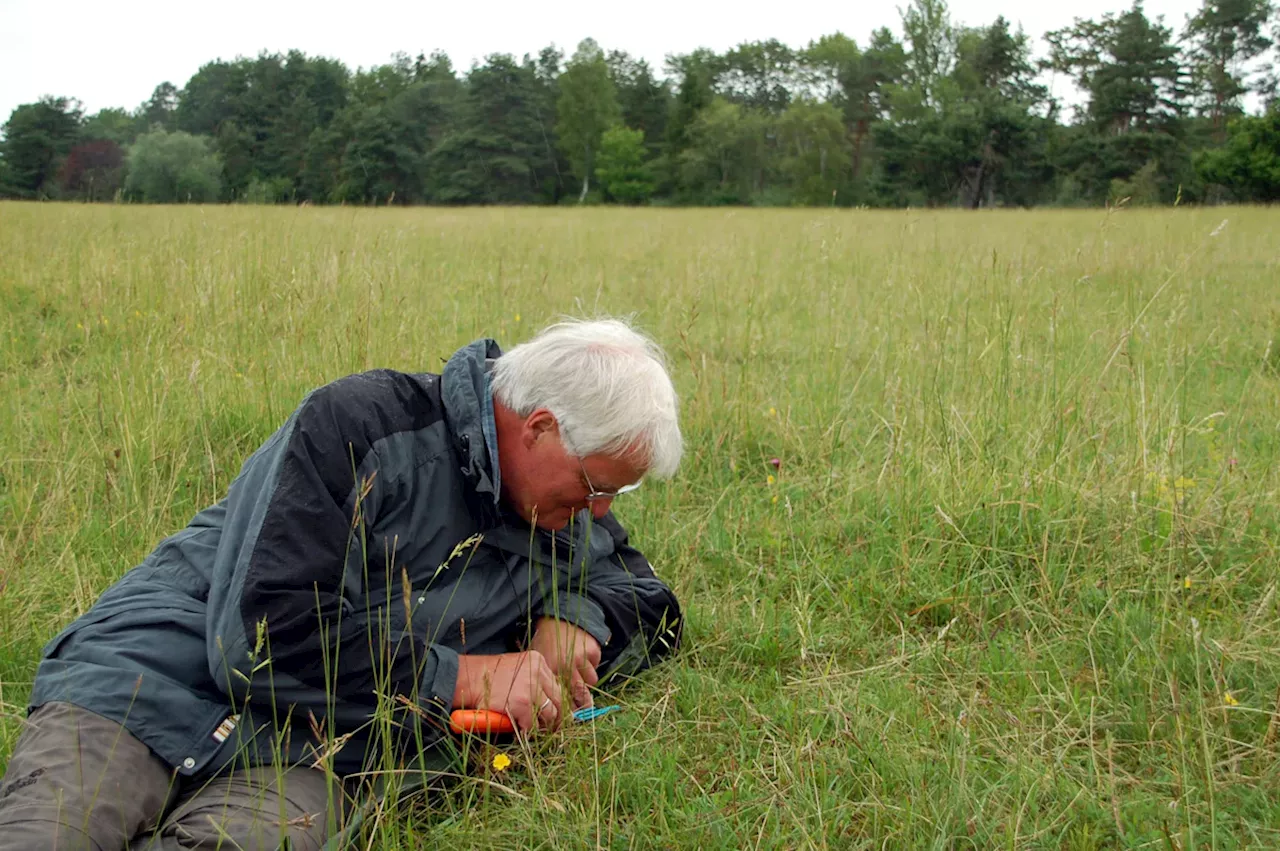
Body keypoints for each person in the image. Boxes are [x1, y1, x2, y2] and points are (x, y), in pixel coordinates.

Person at [0, 318, 684, 850]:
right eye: (598, 485)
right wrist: (462, 679)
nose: (602, 512)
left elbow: (644, 592)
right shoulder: (361, 427)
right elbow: (265, 638)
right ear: (539, 427)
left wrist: (574, 617)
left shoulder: (562, 508)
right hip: (145, 686)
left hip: (322, 752)